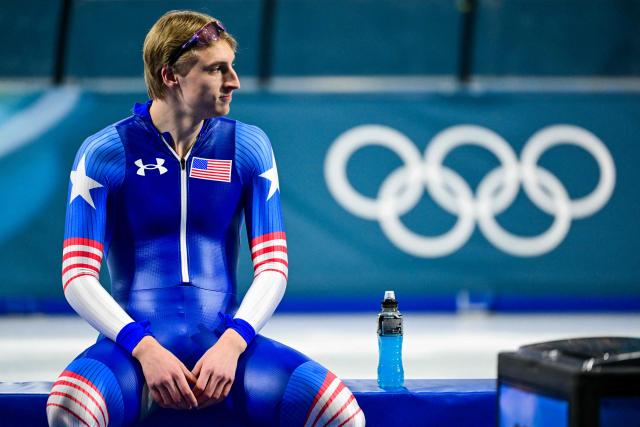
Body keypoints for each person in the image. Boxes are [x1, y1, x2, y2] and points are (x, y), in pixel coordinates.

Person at [47, 10, 366, 427]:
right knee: (67, 409)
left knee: (341, 415)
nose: (233, 81)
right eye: (217, 69)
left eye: (231, 68)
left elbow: (273, 267)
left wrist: (233, 343)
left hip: (227, 347)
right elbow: (77, 277)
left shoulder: (247, 145)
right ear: (170, 76)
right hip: (134, 354)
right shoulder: (106, 151)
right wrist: (144, 350)